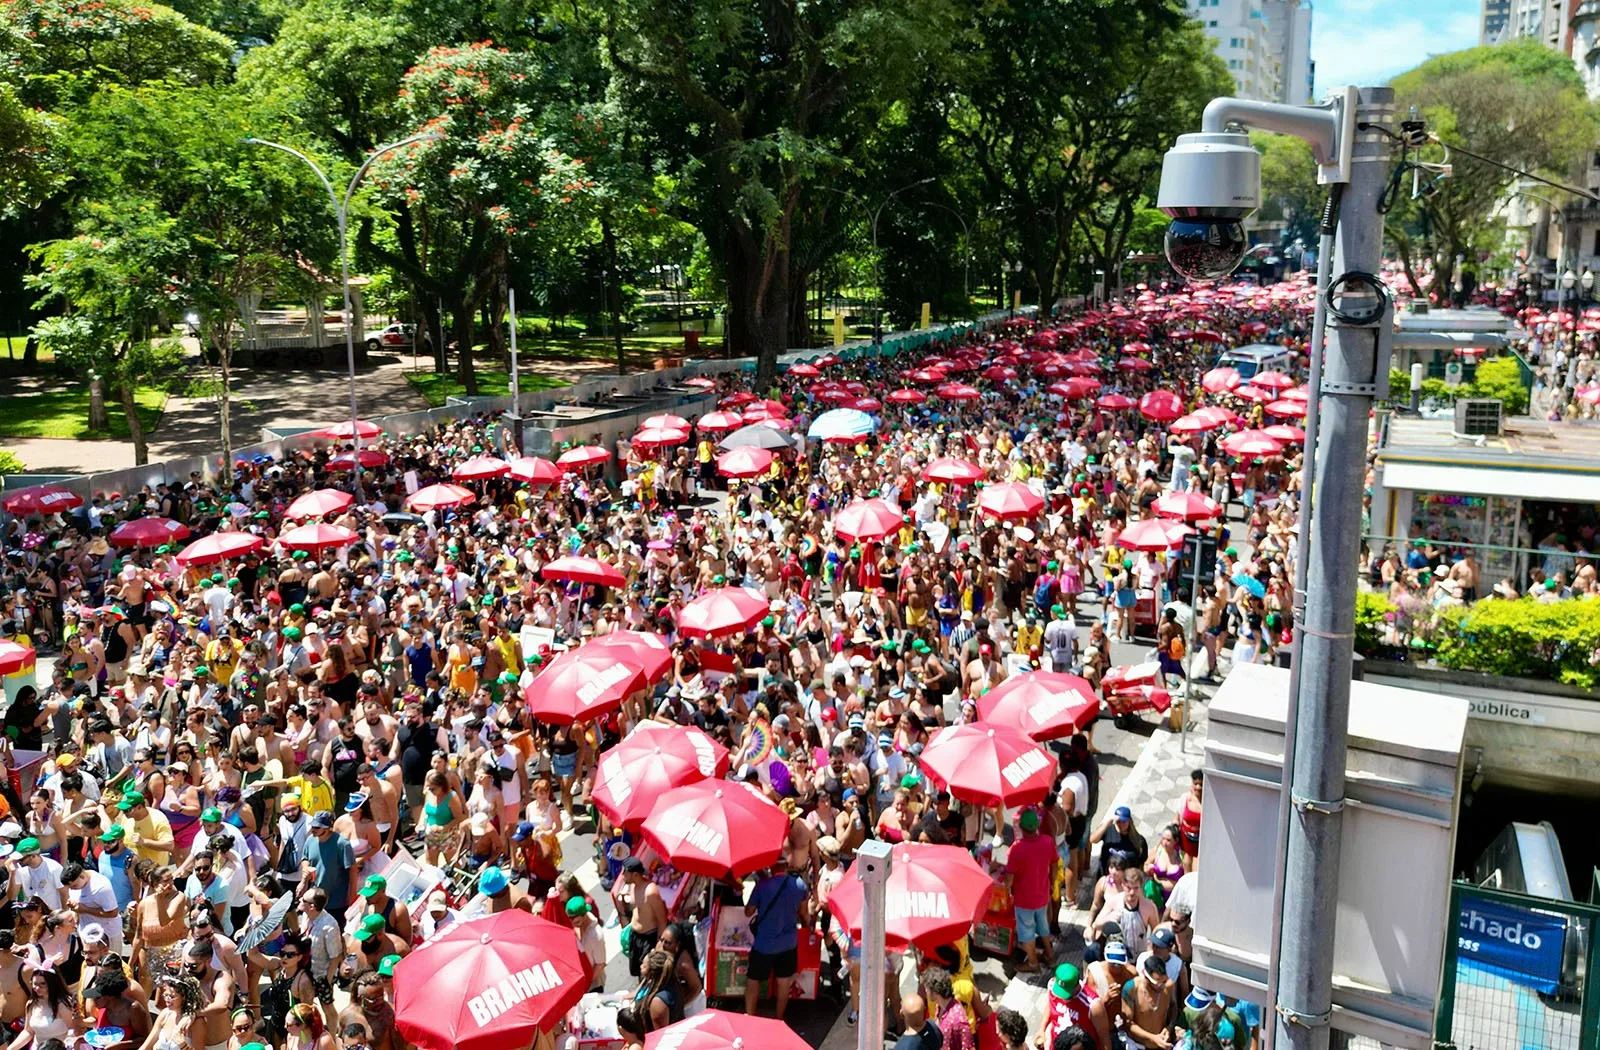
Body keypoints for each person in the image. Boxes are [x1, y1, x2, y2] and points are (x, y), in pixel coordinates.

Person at [742, 860, 810, 1020]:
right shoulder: (800, 885)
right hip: (788, 944)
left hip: (764, 945)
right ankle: (779, 1018)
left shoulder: (762, 885)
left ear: (770, 867)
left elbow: (748, 912)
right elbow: (804, 914)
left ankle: (750, 1016)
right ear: (787, 866)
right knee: (783, 982)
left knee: (753, 980)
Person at [1004, 808, 1056, 973]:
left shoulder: (1016, 849)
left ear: (1021, 828)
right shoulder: (1047, 842)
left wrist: (1006, 891)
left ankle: (1033, 963)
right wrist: (1052, 883)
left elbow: (1009, 878)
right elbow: (1054, 863)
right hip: (1042, 895)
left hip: (1024, 900)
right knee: (1043, 927)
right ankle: (1050, 957)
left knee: (1026, 934)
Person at [7, 969, 74, 1050]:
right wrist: (10, 1048)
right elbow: (28, 1031)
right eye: (35, 984)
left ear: (52, 983)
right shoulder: (31, 1003)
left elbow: (72, 1029)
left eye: (43, 984)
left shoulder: (63, 1004)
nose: (37, 988)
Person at [621, 858, 665, 979]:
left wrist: (658, 947)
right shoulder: (632, 886)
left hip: (648, 939)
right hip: (635, 938)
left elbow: (662, 921)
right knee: (638, 972)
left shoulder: (650, 892)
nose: (622, 875)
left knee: (647, 976)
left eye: (625, 873)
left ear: (635, 874)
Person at [137, 974, 205, 1050]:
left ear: (184, 997)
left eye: (172, 997)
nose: (167, 1000)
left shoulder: (196, 1023)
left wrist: (184, 1047)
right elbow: (146, 1046)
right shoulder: (165, 1014)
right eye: (166, 995)